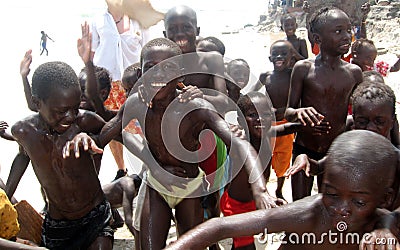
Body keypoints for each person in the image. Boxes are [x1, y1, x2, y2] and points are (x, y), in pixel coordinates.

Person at [63, 38, 280, 249]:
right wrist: (83, 138)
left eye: (168, 68)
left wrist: (260, 190)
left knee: (191, 244)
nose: (158, 74)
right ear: (140, 74)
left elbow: (240, 144)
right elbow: (104, 135)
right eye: (151, 67)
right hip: (156, 184)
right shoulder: (136, 104)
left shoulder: (195, 106)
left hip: (190, 187)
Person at [165, 130, 399, 250]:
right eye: (332, 194)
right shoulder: (309, 216)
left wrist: (386, 228)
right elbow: (221, 226)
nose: (340, 209)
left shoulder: (384, 229)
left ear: (385, 199)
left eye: (358, 202)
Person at [7, 61, 113, 249]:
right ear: (37, 104)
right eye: (62, 111)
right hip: (58, 226)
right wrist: (7, 195)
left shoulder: (85, 121)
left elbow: (114, 131)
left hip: (95, 217)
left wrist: (90, 138)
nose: (71, 117)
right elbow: (23, 156)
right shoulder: (24, 132)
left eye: (75, 107)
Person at [284, 7, 363, 201]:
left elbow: (360, 113)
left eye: (348, 30)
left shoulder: (354, 72)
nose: (346, 36)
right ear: (317, 38)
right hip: (304, 147)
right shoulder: (303, 69)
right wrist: (299, 112)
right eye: (338, 31)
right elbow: (288, 111)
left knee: (330, 204)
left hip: (336, 150)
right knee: (299, 205)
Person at [220, 92, 301, 249]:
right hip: (236, 206)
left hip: (254, 202)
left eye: (265, 114)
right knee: (246, 246)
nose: (260, 119)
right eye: (252, 114)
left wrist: (303, 118)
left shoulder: (268, 134)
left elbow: (287, 127)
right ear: (240, 120)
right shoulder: (238, 140)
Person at [90, 1, 151, 180]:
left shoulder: (138, 19)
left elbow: (148, 50)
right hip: (108, 85)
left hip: (133, 83)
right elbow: (93, 53)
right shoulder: (99, 20)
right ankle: (121, 169)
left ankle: (149, 166)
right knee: (112, 127)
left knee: (143, 126)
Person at [163, 5, 228, 113]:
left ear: (197, 31)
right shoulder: (162, 64)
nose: (179, 33)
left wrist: (201, 96)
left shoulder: (212, 59)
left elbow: (224, 102)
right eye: (173, 29)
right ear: (165, 34)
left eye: (186, 27)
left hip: (207, 125)